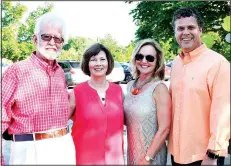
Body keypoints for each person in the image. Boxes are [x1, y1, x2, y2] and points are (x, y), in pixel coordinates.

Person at [1, 12, 76, 165]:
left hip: (64, 147)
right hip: (29, 151)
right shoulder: (16, 71)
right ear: (35, 39)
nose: (52, 42)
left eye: (58, 39)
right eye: (46, 37)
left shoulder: (60, 73)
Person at [168, 7, 230, 166]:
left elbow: (223, 112)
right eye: (180, 28)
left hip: (204, 156)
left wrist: (213, 154)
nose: (185, 32)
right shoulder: (176, 63)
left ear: (200, 30)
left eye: (191, 27)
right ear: (175, 32)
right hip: (177, 154)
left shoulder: (218, 63)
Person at [69, 43, 124, 164]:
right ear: (87, 64)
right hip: (85, 159)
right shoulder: (77, 92)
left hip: (114, 159)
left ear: (108, 62)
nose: (98, 63)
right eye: (93, 60)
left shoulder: (118, 91)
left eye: (102, 59)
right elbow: (61, 124)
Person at [123, 38, 171, 165]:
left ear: (157, 62)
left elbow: (164, 129)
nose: (144, 61)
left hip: (151, 158)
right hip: (132, 154)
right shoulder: (130, 85)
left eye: (150, 58)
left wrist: (147, 159)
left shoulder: (159, 88)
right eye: (140, 56)